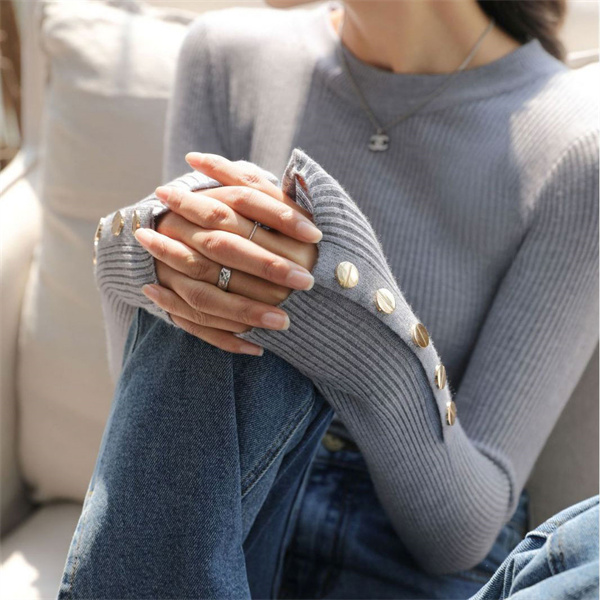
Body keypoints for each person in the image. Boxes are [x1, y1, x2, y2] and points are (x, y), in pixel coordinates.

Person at [58, 0, 599, 598]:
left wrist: (357, 323)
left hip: (407, 553)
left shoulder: (576, 142)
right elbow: (155, 413)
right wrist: (137, 258)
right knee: (217, 290)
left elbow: (457, 537)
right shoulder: (226, 55)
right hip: (227, 500)